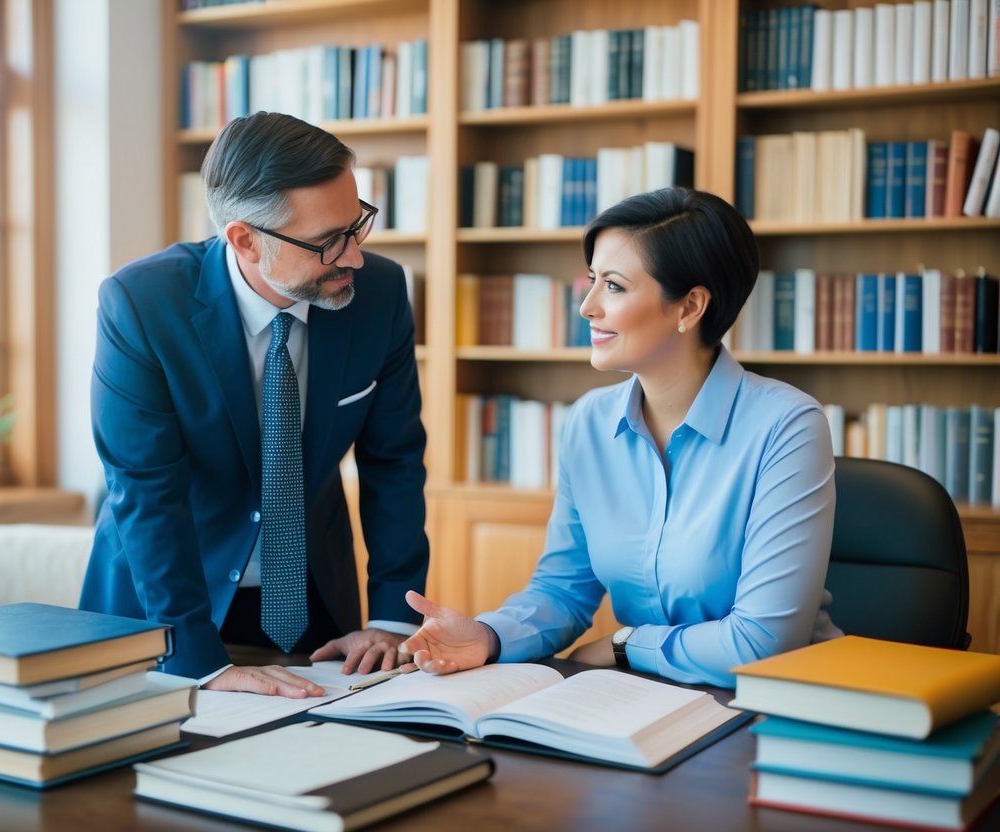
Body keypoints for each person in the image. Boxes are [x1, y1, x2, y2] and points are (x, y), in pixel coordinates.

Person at [399, 187, 840, 689]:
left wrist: (623, 645)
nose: (587, 307)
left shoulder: (787, 425)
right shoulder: (589, 421)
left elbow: (760, 643)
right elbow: (564, 590)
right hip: (642, 700)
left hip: (776, 706)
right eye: (591, 281)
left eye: (613, 286)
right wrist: (487, 636)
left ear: (690, 306)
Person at [80, 112, 429, 696]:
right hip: (165, 614)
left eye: (357, 224)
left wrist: (393, 618)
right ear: (244, 239)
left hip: (317, 605)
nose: (354, 258)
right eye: (327, 243)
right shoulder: (140, 304)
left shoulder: (382, 294)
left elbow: (394, 461)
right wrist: (199, 663)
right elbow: (145, 490)